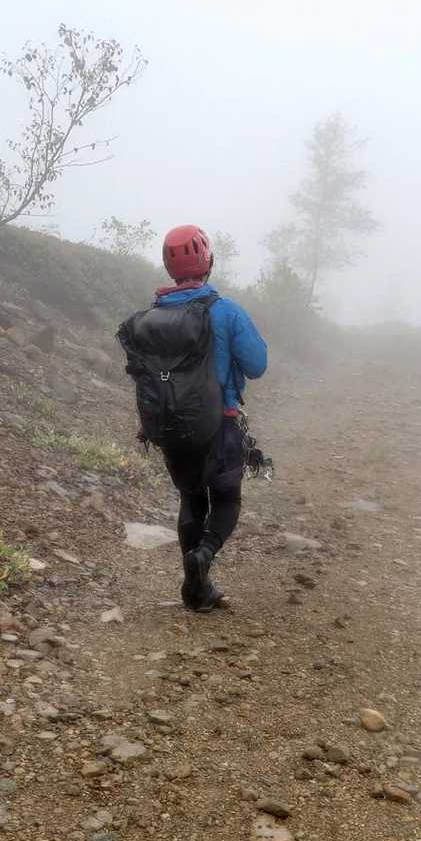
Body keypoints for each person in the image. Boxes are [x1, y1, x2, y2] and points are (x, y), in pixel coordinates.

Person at [120, 224, 267, 611]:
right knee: (227, 500)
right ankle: (202, 557)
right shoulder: (226, 311)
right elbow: (257, 365)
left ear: (169, 267)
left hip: (169, 427)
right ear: (208, 261)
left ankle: (196, 590)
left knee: (191, 498)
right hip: (220, 424)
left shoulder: (152, 317)